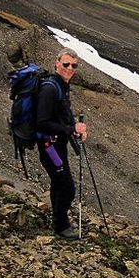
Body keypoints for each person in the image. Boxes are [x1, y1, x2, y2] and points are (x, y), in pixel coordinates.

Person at [36, 48, 87, 239]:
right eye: (65, 64)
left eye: (74, 65)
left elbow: (60, 117)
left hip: (56, 145)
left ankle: (58, 222)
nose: (69, 68)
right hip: (50, 146)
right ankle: (61, 226)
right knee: (67, 186)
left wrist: (74, 126)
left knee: (59, 183)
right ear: (56, 63)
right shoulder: (50, 88)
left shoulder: (61, 86)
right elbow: (42, 121)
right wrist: (69, 129)